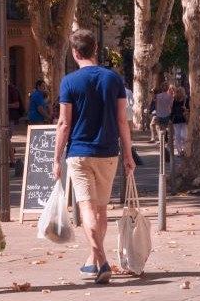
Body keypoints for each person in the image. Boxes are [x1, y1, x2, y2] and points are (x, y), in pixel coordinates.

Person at [51, 29, 134, 285]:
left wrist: (56, 158)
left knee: (86, 208)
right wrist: (129, 154)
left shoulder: (69, 82)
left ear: (74, 53)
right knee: (100, 210)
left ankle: (100, 260)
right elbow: (122, 120)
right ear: (96, 48)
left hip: (79, 153)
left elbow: (64, 123)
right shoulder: (114, 79)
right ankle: (94, 261)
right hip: (109, 152)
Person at [171, 87, 189, 156]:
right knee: (177, 136)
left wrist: (186, 109)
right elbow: (173, 110)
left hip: (184, 119)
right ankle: (179, 151)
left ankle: (184, 149)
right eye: (177, 92)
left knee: (184, 135)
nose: (178, 93)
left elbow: (189, 109)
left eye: (179, 92)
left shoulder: (186, 100)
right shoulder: (175, 100)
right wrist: (171, 119)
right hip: (176, 120)